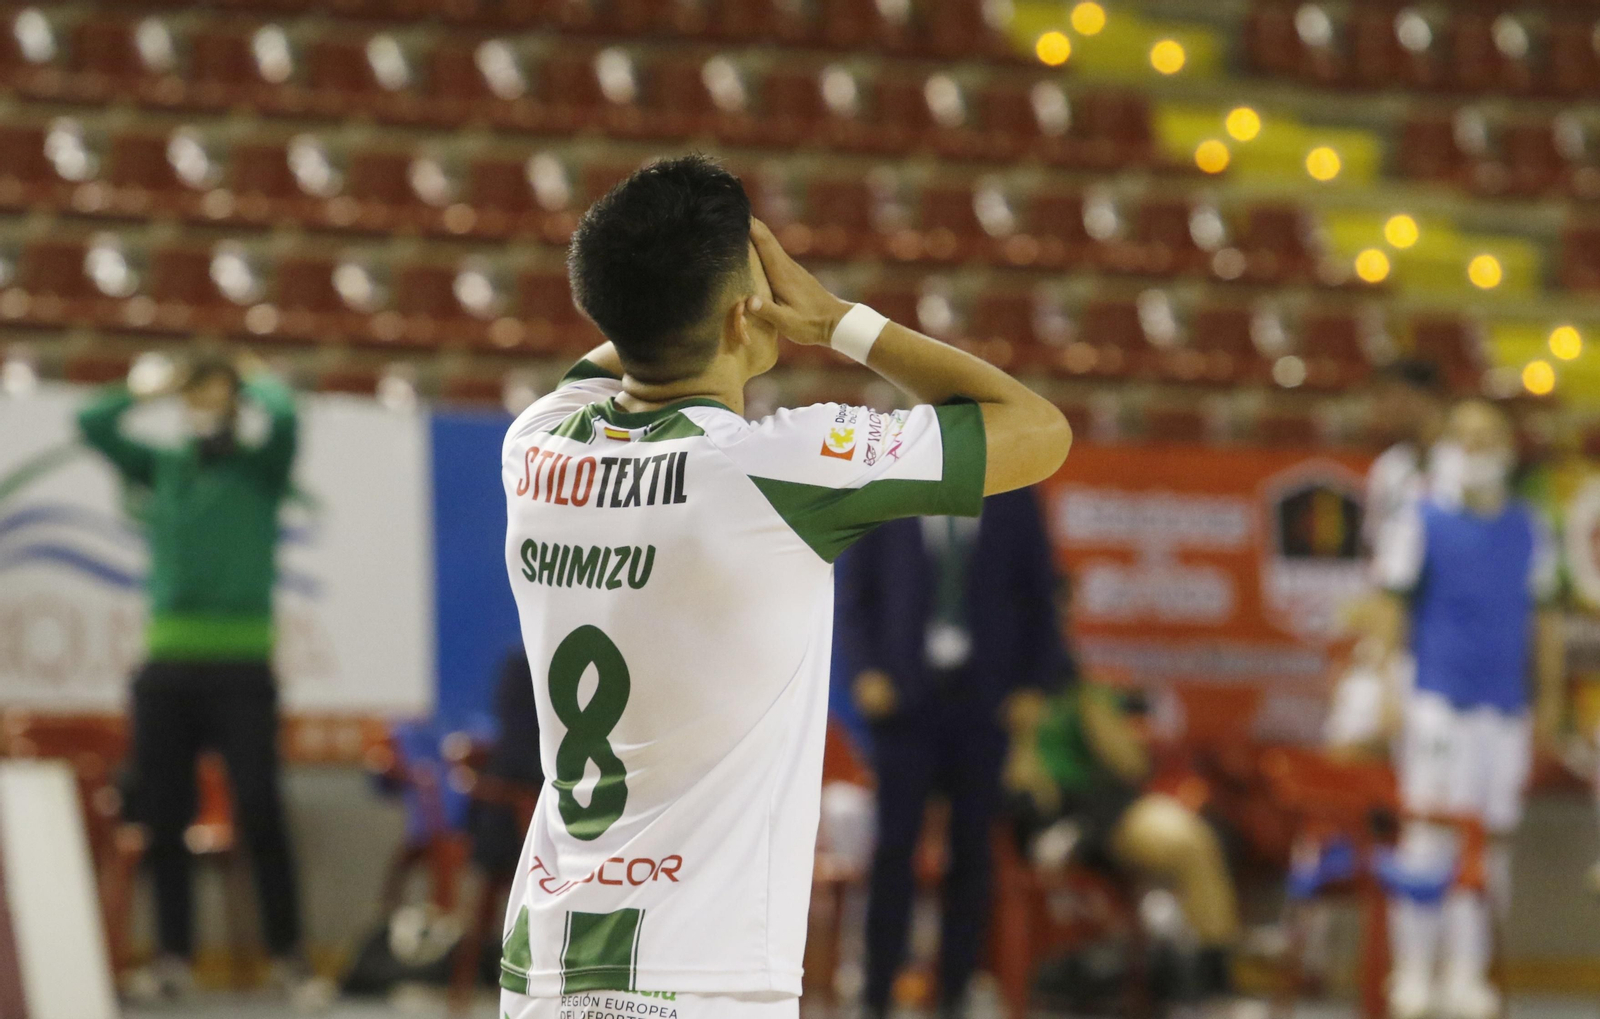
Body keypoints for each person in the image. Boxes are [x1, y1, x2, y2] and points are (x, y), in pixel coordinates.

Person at [495, 155, 1071, 1019]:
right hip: (700, 973)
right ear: (745, 312)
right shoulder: (774, 467)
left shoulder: (536, 444)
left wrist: (695, 290)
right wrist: (839, 322)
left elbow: (635, 318)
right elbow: (1038, 430)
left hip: (544, 959)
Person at [77, 354, 328, 1008]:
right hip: (164, 672)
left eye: (218, 399)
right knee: (164, 817)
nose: (207, 408)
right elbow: (92, 422)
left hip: (243, 671)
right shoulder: (163, 468)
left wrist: (249, 377)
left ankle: (289, 956)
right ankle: (172, 958)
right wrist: (152, 385)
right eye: (199, 398)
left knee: (261, 809)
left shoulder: (260, 469)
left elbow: (286, 416)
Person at [834, 489, 1062, 1018]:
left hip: (984, 702)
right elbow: (855, 594)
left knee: (974, 852)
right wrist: (864, 671)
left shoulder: (1013, 495)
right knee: (893, 851)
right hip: (905, 701)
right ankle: (876, 992)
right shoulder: (890, 486)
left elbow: (1038, 590)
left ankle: (955, 992)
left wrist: (1034, 682)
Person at [1372, 400, 1563, 1019]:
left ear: (1507, 448)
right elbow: (1390, 609)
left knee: (1491, 847)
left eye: (1488, 439)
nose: (1475, 449)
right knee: (1428, 837)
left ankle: (1466, 972)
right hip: (1436, 700)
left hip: (1503, 708)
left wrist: (1550, 702)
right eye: (1464, 436)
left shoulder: (1531, 527)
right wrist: (1389, 689)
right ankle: (1413, 973)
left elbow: (1546, 621)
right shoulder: (1419, 517)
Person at [1005, 674, 1243, 1004]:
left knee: (1195, 838)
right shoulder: (1015, 693)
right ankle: (1205, 975)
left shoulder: (1081, 689)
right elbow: (1126, 762)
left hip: (1099, 813)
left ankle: (1209, 969)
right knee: (1190, 842)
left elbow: (1132, 763)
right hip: (1063, 818)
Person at [1327, 360, 1456, 755]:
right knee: (1350, 736)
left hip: (1450, 635)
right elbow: (1381, 565)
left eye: (1388, 396)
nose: (1378, 408)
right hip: (1395, 633)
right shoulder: (1389, 470)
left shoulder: (1462, 468)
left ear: (1422, 399)